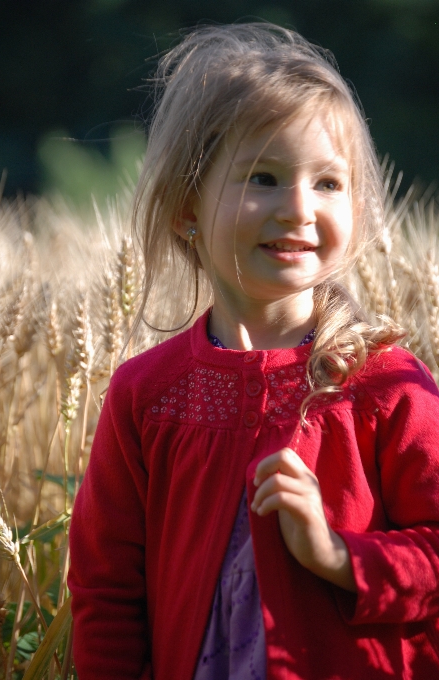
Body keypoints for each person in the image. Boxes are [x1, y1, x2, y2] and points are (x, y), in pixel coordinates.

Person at [68, 23, 439, 680]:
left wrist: (335, 555)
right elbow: (107, 594)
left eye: (328, 183)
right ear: (187, 209)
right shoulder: (145, 394)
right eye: (264, 177)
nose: (298, 209)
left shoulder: (387, 385)